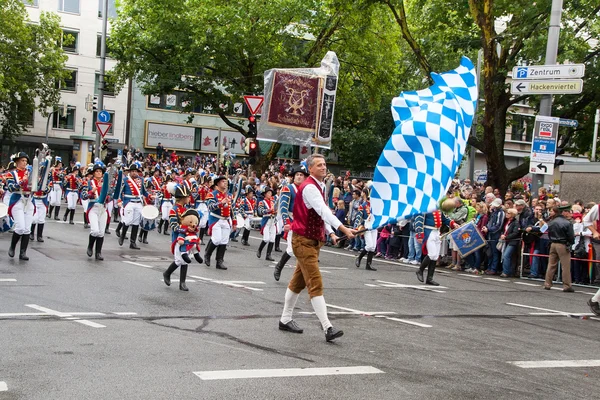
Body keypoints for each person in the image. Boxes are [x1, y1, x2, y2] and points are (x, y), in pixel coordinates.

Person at [278, 154, 357, 342]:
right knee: (315, 281)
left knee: (298, 282)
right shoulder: (310, 188)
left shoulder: (320, 186)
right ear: (310, 169)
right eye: (319, 165)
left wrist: (330, 233)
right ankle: (327, 327)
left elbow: (322, 215)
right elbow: (322, 210)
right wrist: (343, 228)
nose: (324, 167)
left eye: (324, 164)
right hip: (303, 241)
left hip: (312, 241)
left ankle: (285, 319)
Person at [273, 164, 308, 281]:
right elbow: (283, 207)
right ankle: (279, 266)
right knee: (292, 250)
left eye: (301, 175)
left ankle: (302, 275)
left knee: (305, 249)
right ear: (293, 177)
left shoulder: (306, 190)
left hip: (303, 222)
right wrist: (286, 222)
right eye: (297, 175)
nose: (299, 177)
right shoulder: (288, 188)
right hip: (292, 221)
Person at [414, 203, 457, 286]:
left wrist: (453, 223)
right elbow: (419, 220)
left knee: (435, 256)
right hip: (428, 231)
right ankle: (420, 270)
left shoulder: (439, 207)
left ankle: (429, 278)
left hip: (437, 232)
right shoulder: (424, 206)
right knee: (432, 254)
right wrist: (419, 234)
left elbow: (444, 219)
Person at [6, 152, 34, 260]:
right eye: (22, 160)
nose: (24, 163)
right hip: (18, 200)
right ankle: (12, 247)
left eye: (26, 161)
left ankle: (23, 252)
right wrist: (21, 183)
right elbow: (11, 187)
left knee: (27, 229)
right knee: (20, 227)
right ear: (17, 162)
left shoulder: (31, 173)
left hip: (29, 201)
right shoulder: (11, 174)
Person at [543, 205, 575, 292]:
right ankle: (567, 285)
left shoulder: (551, 222)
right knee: (565, 266)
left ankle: (547, 283)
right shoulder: (567, 223)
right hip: (563, 244)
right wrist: (570, 243)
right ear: (563, 212)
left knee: (551, 265)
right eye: (567, 212)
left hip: (553, 243)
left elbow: (543, 230)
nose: (568, 214)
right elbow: (571, 236)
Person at [118, 161, 149, 250]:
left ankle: (133, 242)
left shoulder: (141, 180)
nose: (134, 173)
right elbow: (120, 191)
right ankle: (122, 236)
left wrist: (149, 196)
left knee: (136, 223)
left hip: (138, 202)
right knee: (127, 221)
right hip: (129, 202)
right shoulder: (125, 180)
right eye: (132, 171)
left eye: (136, 171)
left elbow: (143, 191)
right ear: (130, 172)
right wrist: (120, 200)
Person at [204, 176, 233, 270]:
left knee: (224, 241)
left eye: (225, 181)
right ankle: (207, 254)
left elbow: (232, 209)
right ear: (218, 184)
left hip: (226, 219)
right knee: (216, 239)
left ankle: (219, 261)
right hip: (216, 219)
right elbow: (210, 207)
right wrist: (221, 203)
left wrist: (235, 221)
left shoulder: (229, 195)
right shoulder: (212, 194)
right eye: (223, 182)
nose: (225, 183)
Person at [81, 162, 109, 260]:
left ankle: (98, 253)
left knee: (101, 232)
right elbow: (83, 196)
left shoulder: (106, 184)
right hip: (93, 207)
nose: (98, 173)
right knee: (95, 230)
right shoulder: (88, 182)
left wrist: (109, 197)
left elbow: (109, 196)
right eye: (96, 171)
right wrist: (91, 192)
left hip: (103, 208)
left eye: (100, 171)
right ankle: (90, 246)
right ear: (93, 173)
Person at [355, 187, 377, 271]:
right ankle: (359, 258)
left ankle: (368, 264)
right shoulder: (363, 205)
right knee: (369, 245)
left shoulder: (378, 206)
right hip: (367, 225)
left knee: (373, 247)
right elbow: (359, 217)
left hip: (374, 225)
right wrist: (357, 227)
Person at [256, 187, 277, 261]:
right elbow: (260, 211)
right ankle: (259, 250)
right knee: (266, 238)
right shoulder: (262, 202)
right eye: (268, 193)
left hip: (273, 221)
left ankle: (268, 255)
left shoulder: (273, 202)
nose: (270, 194)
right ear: (265, 194)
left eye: (270, 193)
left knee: (272, 239)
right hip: (266, 221)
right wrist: (269, 210)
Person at [500, 208, 520, 277]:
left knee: (506, 255)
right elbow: (504, 230)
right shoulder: (507, 221)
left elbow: (515, 233)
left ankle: (505, 272)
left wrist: (506, 237)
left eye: (508, 213)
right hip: (506, 241)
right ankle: (508, 271)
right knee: (506, 256)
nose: (506, 214)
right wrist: (502, 234)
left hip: (512, 242)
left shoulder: (516, 222)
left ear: (512, 215)